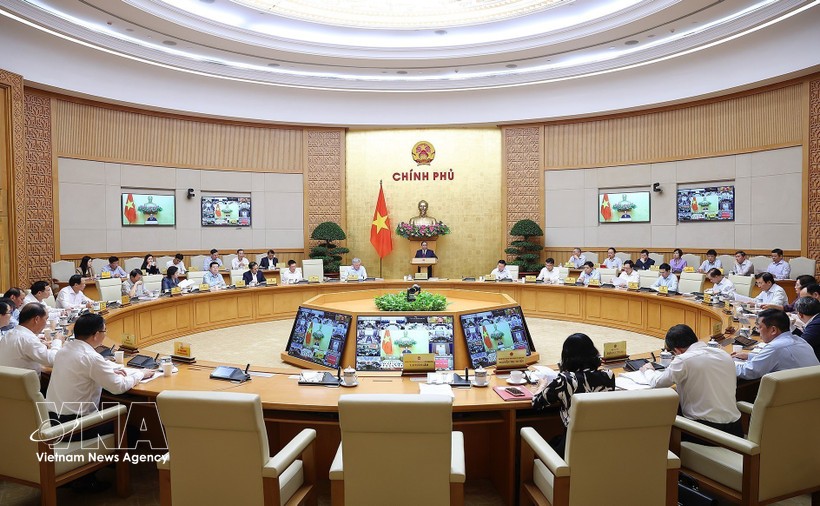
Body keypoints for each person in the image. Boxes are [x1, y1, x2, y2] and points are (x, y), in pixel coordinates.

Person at [45, 313, 154, 441]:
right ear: (96, 335)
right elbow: (118, 387)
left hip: (52, 420)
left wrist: (108, 372)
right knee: (131, 431)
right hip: (75, 426)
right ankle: (115, 461)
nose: (105, 334)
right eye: (104, 331)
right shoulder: (91, 357)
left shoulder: (64, 350)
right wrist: (141, 374)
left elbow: (84, 372)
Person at [639, 324, 742, 439]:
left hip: (705, 432)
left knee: (660, 420)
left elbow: (657, 383)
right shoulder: (723, 354)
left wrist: (648, 370)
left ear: (677, 350)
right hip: (736, 430)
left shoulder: (684, 360)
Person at [531, 333, 615, 457]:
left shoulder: (565, 380)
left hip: (569, 453)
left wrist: (541, 386)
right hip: (602, 450)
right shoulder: (608, 375)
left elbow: (536, 403)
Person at [732, 309, 819, 379]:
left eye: (759, 327)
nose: (758, 331)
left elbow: (748, 372)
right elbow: (781, 359)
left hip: (791, 397)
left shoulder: (775, 347)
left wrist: (727, 362)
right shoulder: (799, 340)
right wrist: (749, 356)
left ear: (773, 330)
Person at [0, 303, 62, 376]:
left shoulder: (8, 334)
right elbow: (53, 360)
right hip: (26, 385)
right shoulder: (28, 339)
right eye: (46, 319)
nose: (46, 323)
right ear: (36, 319)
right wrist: (57, 340)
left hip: (7, 383)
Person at [793, 297, 820, 361]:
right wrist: (792, 327)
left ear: (800, 314)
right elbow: (806, 337)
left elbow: (801, 345)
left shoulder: (816, 324)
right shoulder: (816, 321)